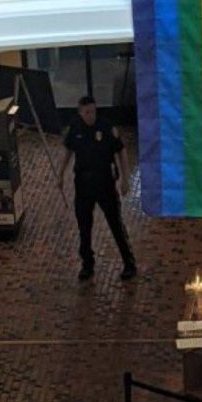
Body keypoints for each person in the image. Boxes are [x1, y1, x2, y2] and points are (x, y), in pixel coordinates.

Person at [59, 96, 137, 281]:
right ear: (80, 112)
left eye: (93, 111)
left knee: (115, 224)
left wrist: (126, 179)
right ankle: (87, 264)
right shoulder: (75, 128)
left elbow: (121, 151)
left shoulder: (106, 128)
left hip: (105, 184)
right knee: (84, 227)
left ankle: (129, 262)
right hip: (83, 185)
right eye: (87, 112)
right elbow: (68, 151)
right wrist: (60, 174)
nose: (91, 115)